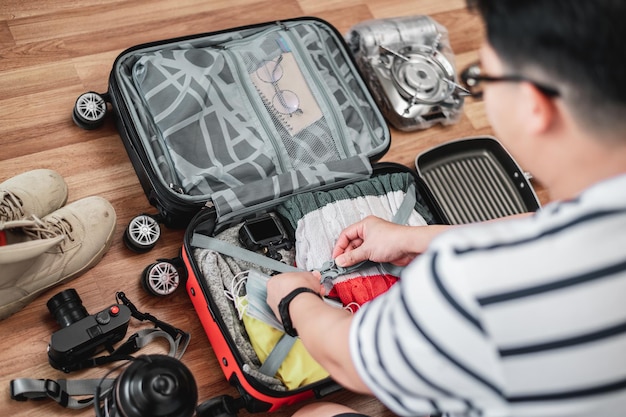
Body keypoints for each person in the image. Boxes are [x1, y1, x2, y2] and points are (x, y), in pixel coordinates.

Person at [266, 0, 626, 416]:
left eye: (480, 78)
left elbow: (350, 361)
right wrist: (415, 237)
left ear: (534, 107)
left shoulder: (473, 285)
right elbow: (541, 228)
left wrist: (294, 298)